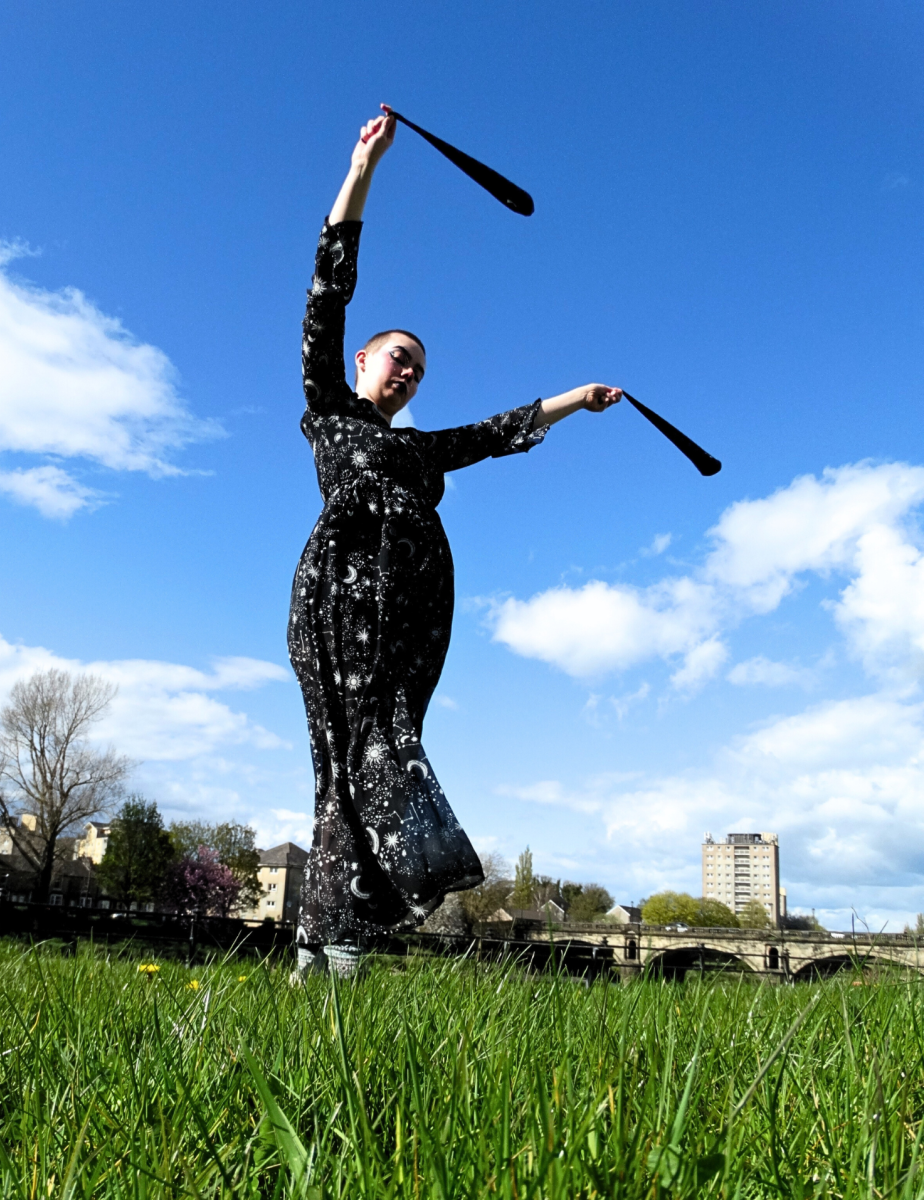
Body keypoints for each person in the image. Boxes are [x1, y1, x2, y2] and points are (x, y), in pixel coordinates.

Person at [289, 108, 621, 980]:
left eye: (419, 370)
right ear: (362, 361)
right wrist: (363, 169)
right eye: (397, 357)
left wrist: (575, 398)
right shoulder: (329, 409)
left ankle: (321, 941)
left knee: (371, 750)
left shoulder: (420, 448)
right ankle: (343, 935)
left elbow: (496, 432)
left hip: (412, 616)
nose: (407, 373)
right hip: (342, 596)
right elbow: (326, 293)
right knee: (364, 752)